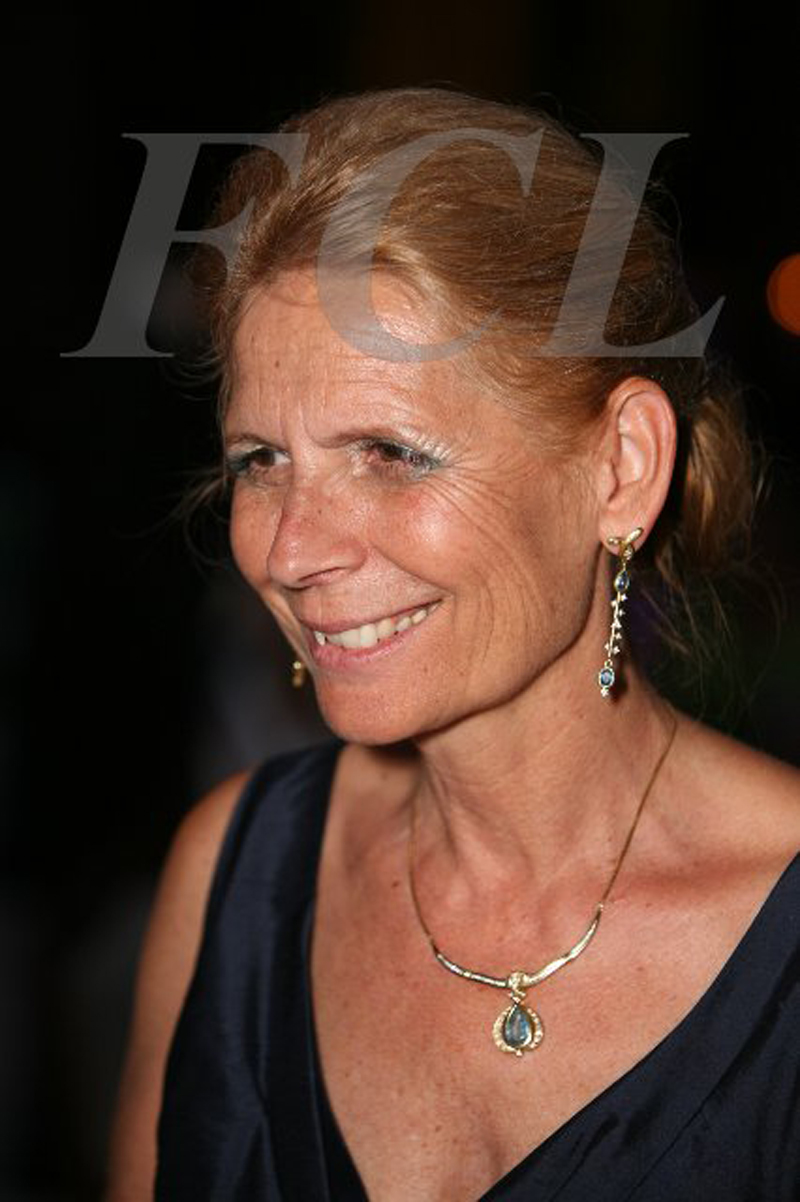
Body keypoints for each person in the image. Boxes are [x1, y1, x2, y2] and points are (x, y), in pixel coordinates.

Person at [104, 88, 800, 1202]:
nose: (291, 549)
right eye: (259, 461)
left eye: (389, 452)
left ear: (621, 468)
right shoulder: (231, 874)